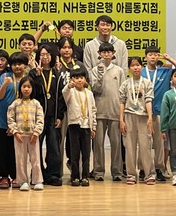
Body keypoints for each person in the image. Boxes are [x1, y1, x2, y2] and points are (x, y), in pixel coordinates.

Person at [28, 43, 66, 186]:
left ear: (52, 56)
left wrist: (59, 116)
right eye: (42, 54)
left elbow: (61, 96)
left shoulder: (57, 73)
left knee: (54, 147)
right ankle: (37, 174)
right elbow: (33, 93)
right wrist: (38, 76)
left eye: (48, 54)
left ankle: (53, 174)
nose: (45, 57)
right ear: (38, 56)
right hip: (37, 118)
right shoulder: (33, 73)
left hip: (52, 117)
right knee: (35, 147)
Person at [89, 42, 125, 181]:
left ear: (113, 53)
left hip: (115, 111)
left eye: (109, 52)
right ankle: (98, 172)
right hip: (99, 111)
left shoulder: (119, 71)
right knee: (98, 144)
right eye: (103, 52)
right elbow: (95, 89)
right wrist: (100, 74)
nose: (106, 54)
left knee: (116, 144)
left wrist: (122, 113)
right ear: (99, 54)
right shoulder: (94, 70)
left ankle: (117, 172)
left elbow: (123, 92)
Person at [119, 57, 154, 185]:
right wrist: (121, 119)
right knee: (130, 147)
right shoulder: (125, 84)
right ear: (129, 68)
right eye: (133, 65)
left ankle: (149, 174)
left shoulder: (147, 83)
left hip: (143, 117)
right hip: (129, 116)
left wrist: (150, 117)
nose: (136, 67)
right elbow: (122, 102)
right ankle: (131, 174)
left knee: (145, 146)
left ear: (142, 67)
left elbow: (148, 100)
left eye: (138, 65)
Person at [140, 45, 173, 181]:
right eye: (150, 54)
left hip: (159, 112)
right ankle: (143, 168)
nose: (153, 57)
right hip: (142, 112)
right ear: (145, 57)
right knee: (143, 142)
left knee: (159, 143)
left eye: (155, 54)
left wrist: (168, 59)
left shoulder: (164, 71)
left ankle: (159, 168)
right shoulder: (140, 71)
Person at [7, 76, 45, 191]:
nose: (26, 89)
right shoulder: (15, 103)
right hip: (19, 136)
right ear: (20, 88)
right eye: (24, 86)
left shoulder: (36, 104)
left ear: (33, 88)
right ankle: (23, 181)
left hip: (33, 136)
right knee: (20, 160)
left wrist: (36, 132)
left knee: (35, 159)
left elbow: (40, 119)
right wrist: (15, 132)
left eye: (29, 87)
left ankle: (37, 180)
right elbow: (10, 119)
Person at [0, 50, 20, 189]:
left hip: (17, 120)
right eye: (15, 64)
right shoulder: (4, 76)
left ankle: (15, 175)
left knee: (14, 150)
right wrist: (4, 84)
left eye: (3, 60)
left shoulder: (25, 79)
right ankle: (3, 176)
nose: (17, 67)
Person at [56, 36, 85, 176]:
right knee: (60, 141)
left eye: (69, 47)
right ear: (59, 49)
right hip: (61, 109)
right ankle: (58, 172)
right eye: (64, 47)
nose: (66, 50)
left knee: (77, 141)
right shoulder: (56, 65)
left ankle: (77, 173)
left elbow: (86, 84)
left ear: (73, 50)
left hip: (77, 108)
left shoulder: (79, 65)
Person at [62, 68, 96, 186]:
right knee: (74, 153)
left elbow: (93, 110)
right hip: (74, 125)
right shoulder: (70, 92)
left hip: (86, 126)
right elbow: (64, 92)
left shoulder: (89, 93)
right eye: (76, 78)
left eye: (81, 78)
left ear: (85, 79)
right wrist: (68, 86)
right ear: (72, 79)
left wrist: (93, 127)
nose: (79, 80)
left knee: (86, 153)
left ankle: (85, 176)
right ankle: (75, 176)